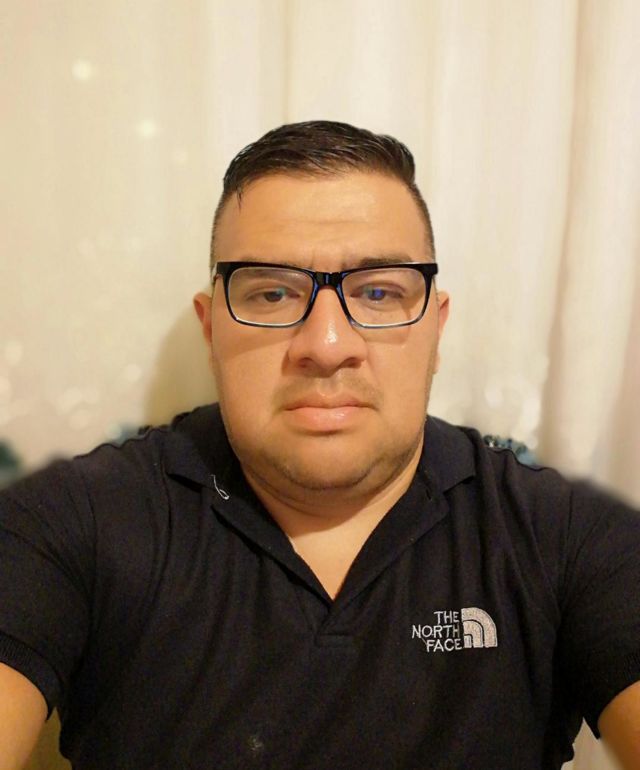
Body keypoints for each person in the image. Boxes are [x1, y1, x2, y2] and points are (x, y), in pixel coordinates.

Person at [1, 121, 639, 770]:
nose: (327, 346)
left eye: (379, 292)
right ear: (211, 327)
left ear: (435, 328)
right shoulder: (74, 521)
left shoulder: (564, 536)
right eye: (273, 293)